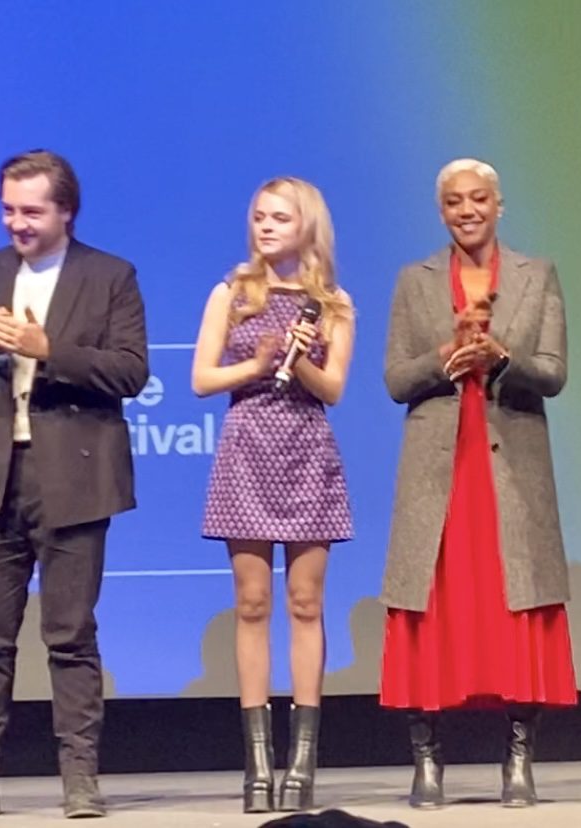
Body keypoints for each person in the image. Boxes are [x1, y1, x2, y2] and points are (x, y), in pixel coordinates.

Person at [0, 149, 150, 821]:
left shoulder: (109, 276)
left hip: (74, 478)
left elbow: (131, 372)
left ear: (66, 211)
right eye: (8, 210)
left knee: (70, 635)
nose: (16, 223)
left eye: (31, 211)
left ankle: (79, 778)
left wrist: (48, 350)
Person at [379, 158, 576, 810]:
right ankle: (427, 759)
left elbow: (553, 372)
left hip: (509, 467)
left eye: (479, 199)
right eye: (454, 202)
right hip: (439, 469)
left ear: (499, 205)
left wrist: (501, 357)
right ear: (442, 211)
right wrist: (445, 357)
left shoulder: (536, 274)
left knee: (513, 606)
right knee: (432, 608)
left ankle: (518, 757)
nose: (467, 211)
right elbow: (395, 379)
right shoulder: (414, 280)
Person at [193, 177, 355, 814]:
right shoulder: (231, 293)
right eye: (259, 216)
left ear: (307, 226)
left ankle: (302, 764)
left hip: (307, 450)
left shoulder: (333, 303)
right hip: (247, 448)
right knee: (253, 601)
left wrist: (300, 360)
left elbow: (333, 388)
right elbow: (202, 377)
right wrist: (258, 365)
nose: (265, 226)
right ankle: (258, 765)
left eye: (279, 218)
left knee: (306, 602)